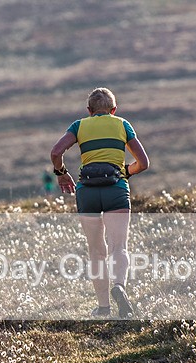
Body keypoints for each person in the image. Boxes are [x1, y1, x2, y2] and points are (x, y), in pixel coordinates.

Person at [50, 87, 149, 318]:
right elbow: (143, 163)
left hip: (87, 192)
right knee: (119, 246)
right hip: (116, 189)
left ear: (89, 111)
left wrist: (62, 173)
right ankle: (119, 286)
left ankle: (103, 307)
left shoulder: (79, 126)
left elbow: (56, 151)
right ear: (113, 110)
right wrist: (125, 171)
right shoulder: (122, 124)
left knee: (96, 251)